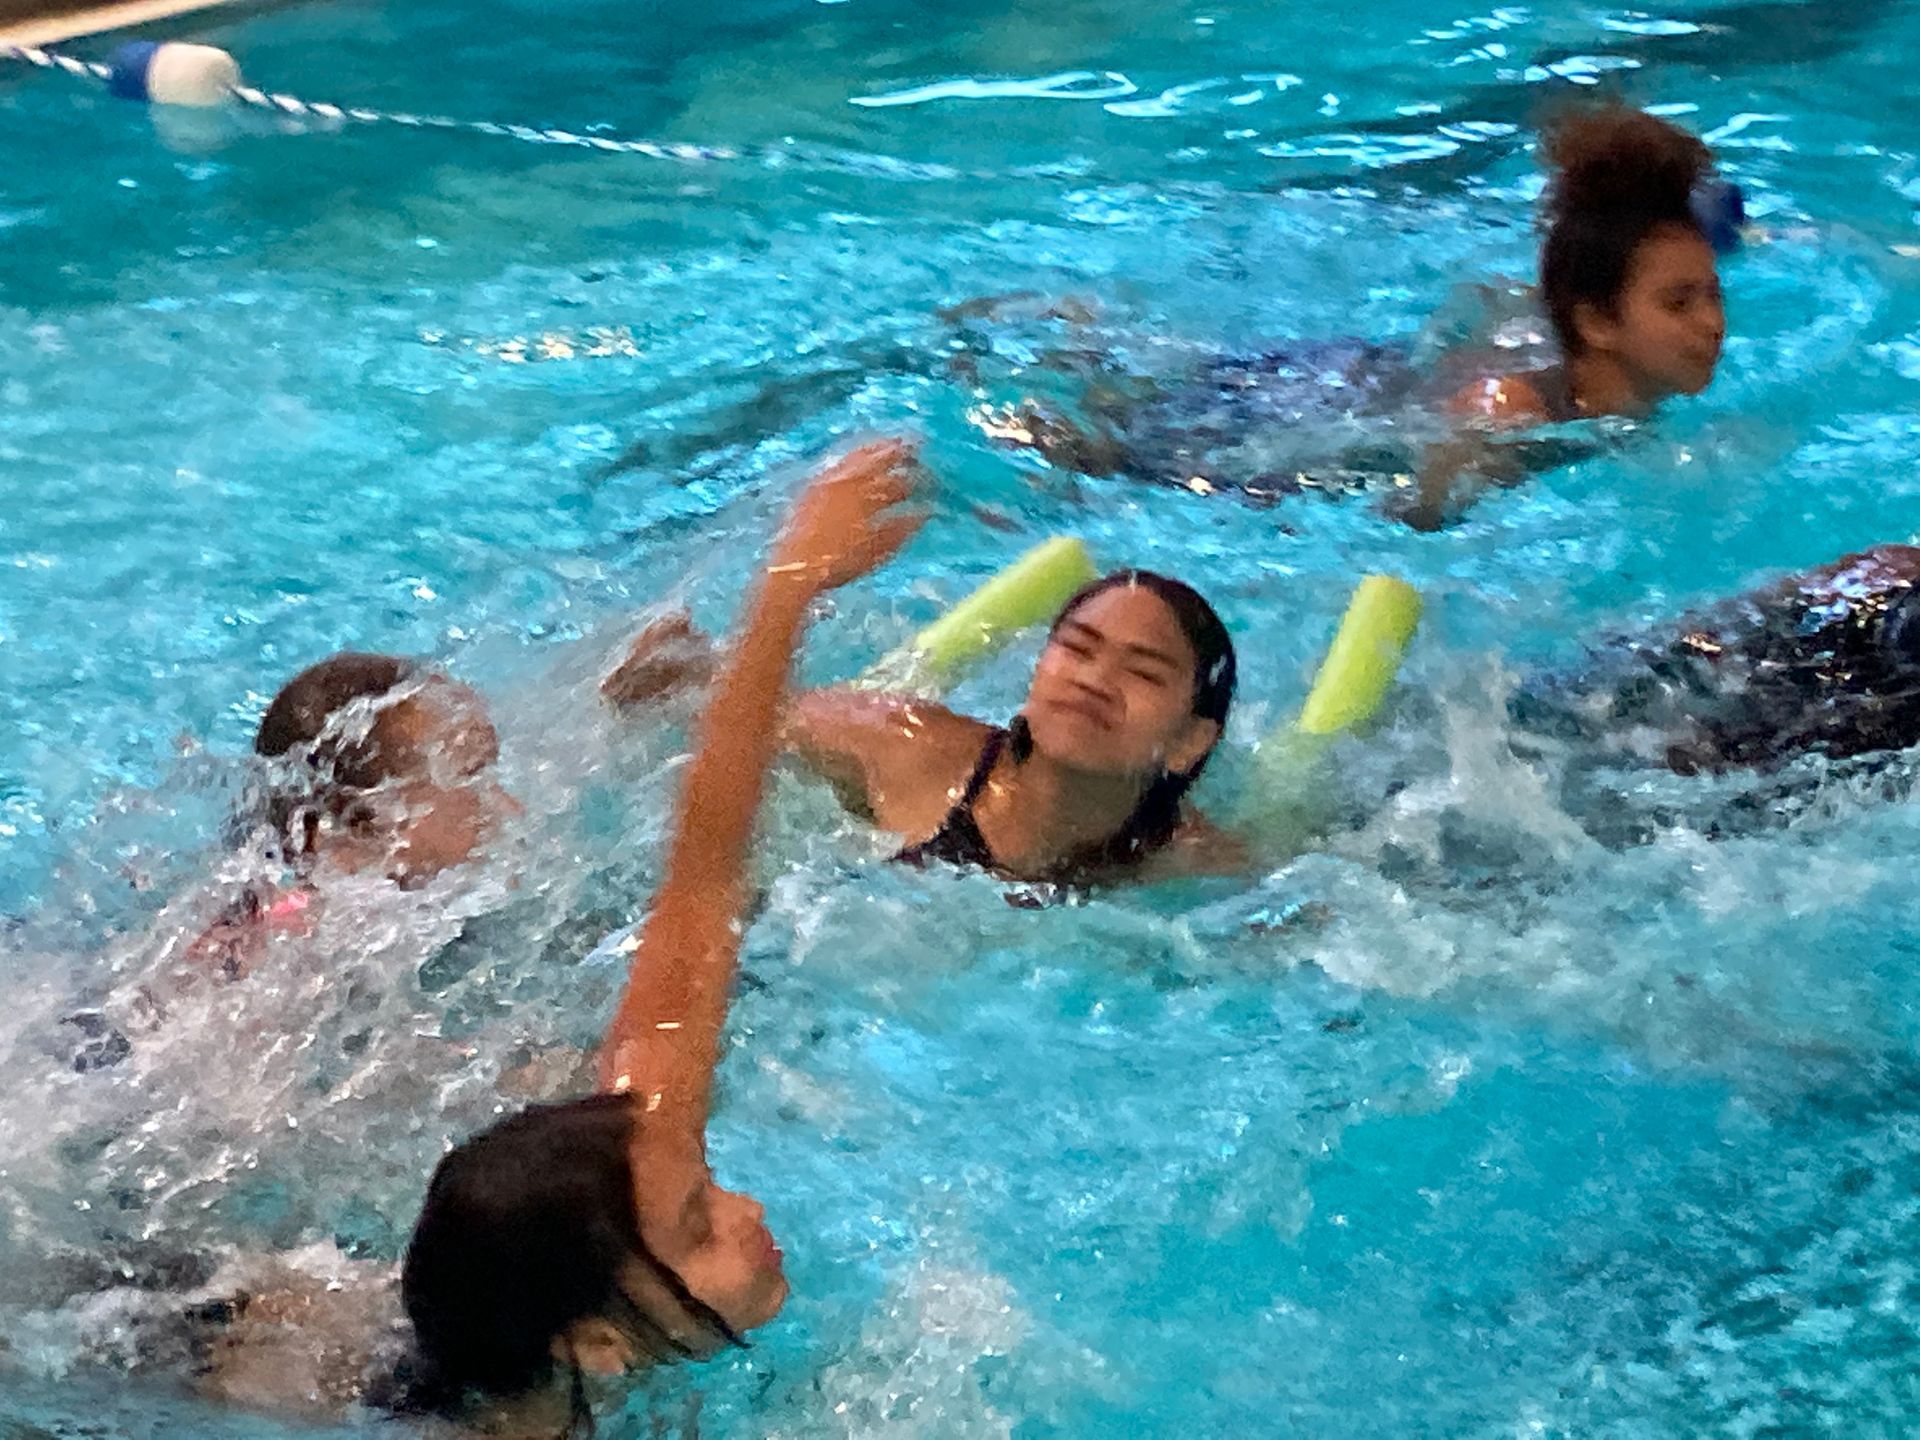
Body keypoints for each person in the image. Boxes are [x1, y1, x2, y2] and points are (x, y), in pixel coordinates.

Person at [397, 439, 924, 1432]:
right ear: (600, 1346)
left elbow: (704, 881)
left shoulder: (619, 1190)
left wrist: (787, 593)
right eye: (702, 1229)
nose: (749, 1214)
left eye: (709, 1196)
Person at [611, 568, 1241, 886]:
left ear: (1190, 742)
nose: (1093, 680)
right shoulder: (907, 750)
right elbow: (737, 716)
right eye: (1076, 649)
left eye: (1143, 672)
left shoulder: (1191, 864)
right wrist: (679, 678)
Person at [1399, 106, 1731, 527]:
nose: (1713, 323)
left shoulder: (1634, 412)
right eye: (1678, 303)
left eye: (1715, 296)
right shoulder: (1504, 420)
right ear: (1597, 323)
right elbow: (1411, 520)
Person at [1514, 543, 1920, 780]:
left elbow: (1703, 634)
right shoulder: (1887, 569)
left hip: (1784, 669)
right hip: (1829, 722)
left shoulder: (1887, 567)